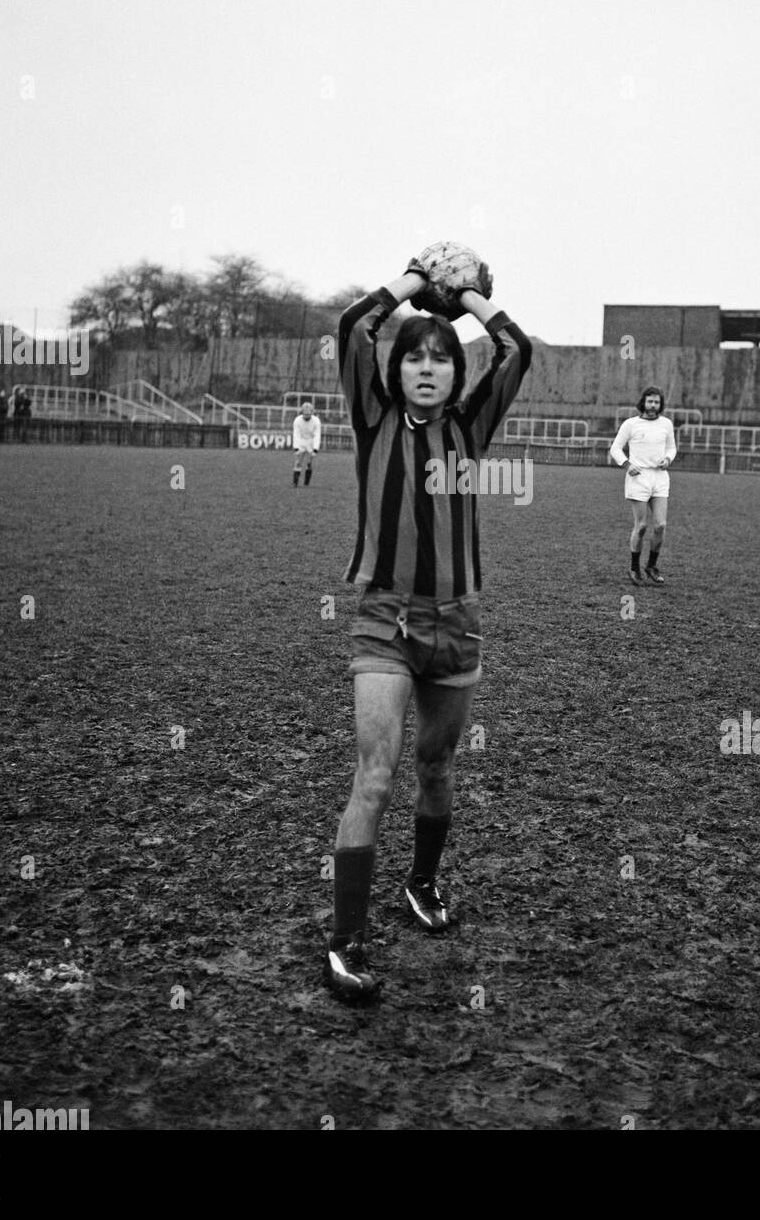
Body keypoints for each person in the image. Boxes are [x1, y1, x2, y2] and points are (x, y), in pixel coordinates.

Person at [324, 258, 532, 1003]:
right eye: (414, 355)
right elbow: (354, 325)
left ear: (455, 375)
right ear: (396, 368)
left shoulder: (470, 430)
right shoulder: (371, 416)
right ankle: (346, 940)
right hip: (384, 618)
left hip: (456, 622)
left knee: (438, 766)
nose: (427, 368)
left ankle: (421, 881)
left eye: (441, 359)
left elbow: (517, 351)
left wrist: (467, 299)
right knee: (374, 775)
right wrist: (416, 280)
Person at [609, 387, 676, 586]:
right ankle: (634, 567)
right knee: (641, 527)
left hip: (660, 477)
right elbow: (615, 448)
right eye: (650, 402)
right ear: (643, 403)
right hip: (639, 478)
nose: (653, 405)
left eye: (656, 402)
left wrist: (668, 458)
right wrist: (627, 465)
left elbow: (672, 447)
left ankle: (651, 566)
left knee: (661, 525)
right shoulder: (631, 424)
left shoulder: (666, 424)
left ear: (660, 404)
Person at [291, 402, 322, 486]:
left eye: (309, 414)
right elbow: (296, 434)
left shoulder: (316, 421)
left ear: (312, 413)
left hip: (311, 442)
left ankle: (306, 482)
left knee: (309, 462)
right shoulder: (297, 420)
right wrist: (296, 447)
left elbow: (317, 435)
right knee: (298, 462)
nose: (307, 416)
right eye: (305, 414)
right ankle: (295, 482)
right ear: (302, 412)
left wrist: (315, 449)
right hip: (301, 441)